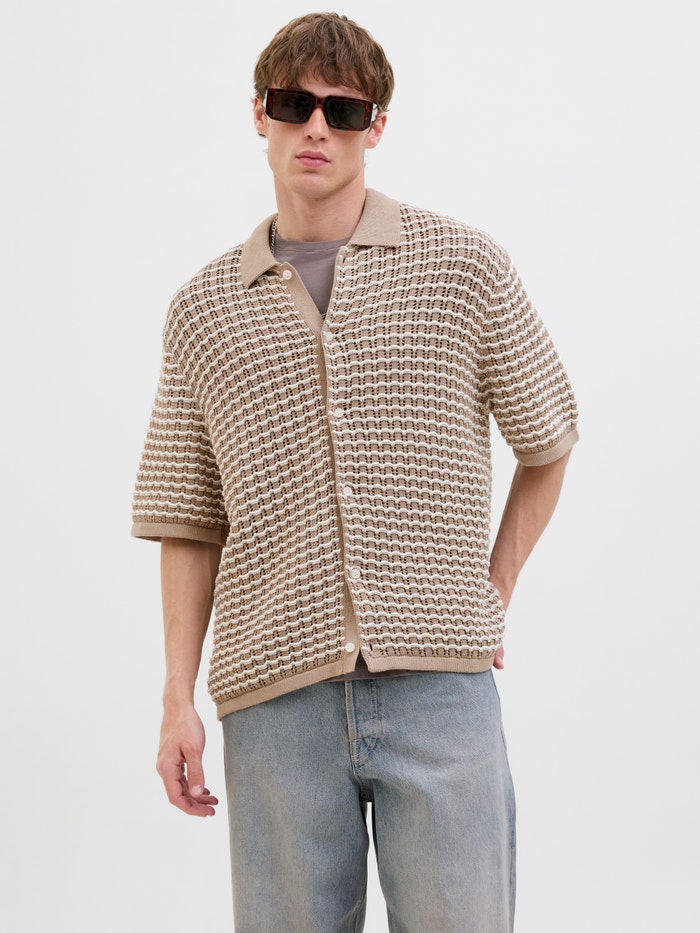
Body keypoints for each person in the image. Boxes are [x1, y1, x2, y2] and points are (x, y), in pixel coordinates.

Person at [132, 12, 578, 932]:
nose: (316, 127)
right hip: (274, 702)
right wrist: (178, 698)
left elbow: (549, 439)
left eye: (343, 110)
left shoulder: (461, 267)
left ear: (376, 126)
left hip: (440, 692)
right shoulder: (204, 310)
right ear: (259, 114)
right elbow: (188, 518)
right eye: (294, 104)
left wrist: (492, 588)